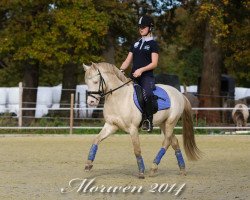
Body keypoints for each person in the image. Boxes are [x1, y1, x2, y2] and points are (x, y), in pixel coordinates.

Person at [120, 15, 159, 132]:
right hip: (133, 77)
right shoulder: (135, 45)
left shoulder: (153, 44)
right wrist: (120, 71)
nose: (141, 29)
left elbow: (154, 63)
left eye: (143, 27)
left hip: (146, 77)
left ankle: (148, 120)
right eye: (139, 27)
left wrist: (141, 70)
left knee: (147, 94)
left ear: (150, 28)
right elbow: (128, 60)